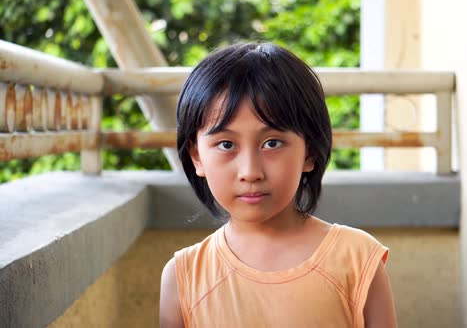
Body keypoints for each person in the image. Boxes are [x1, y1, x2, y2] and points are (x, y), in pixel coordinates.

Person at [160, 42, 397, 327]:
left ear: (309, 151)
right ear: (196, 156)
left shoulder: (358, 259)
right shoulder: (183, 276)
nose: (250, 172)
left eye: (272, 143)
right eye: (226, 144)